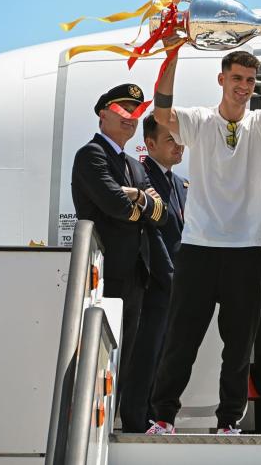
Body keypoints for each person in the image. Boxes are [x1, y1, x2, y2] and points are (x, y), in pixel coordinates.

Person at [146, 29, 261, 435]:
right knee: (182, 339)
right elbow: (162, 115)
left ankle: (228, 421)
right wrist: (171, 56)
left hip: (247, 249)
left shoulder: (260, 123)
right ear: (222, 79)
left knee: (238, 345)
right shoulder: (199, 120)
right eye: (236, 78)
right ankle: (162, 417)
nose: (243, 86)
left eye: (250, 80)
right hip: (199, 247)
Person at [70, 83, 168, 429]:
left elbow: (161, 214)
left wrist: (137, 197)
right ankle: (95, 427)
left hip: (135, 275)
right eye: (123, 110)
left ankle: (111, 424)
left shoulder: (134, 166)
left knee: (124, 357)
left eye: (136, 111)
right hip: (106, 274)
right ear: (103, 114)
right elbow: (116, 207)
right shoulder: (91, 155)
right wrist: (141, 205)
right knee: (101, 356)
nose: (131, 117)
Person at [119, 113, 187, 432]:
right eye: (171, 139)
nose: (179, 145)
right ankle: (136, 420)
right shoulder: (140, 177)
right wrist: (172, 277)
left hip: (175, 285)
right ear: (150, 143)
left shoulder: (179, 183)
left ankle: (153, 418)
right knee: (145, 355)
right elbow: (152, 233)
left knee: (163, 357)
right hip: (153, 285)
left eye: (180, 139)